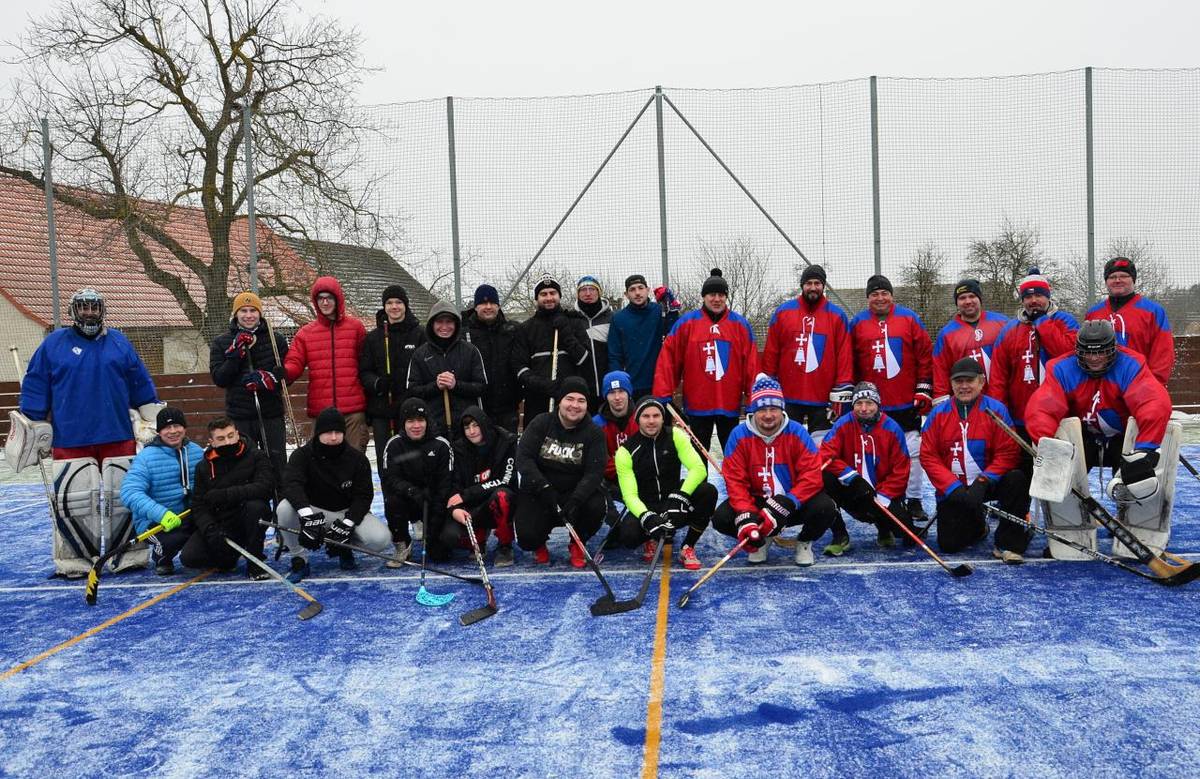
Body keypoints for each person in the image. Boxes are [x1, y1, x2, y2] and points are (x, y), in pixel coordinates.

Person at [16, 287, 161, 577]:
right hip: (71, 436)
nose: (89, 313)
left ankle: (129, 556)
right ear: (74, 311)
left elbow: (140, 384)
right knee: (74, 501)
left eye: (94, 307)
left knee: (124, 498)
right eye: (83, 307)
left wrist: (152, 417)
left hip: (117, 433)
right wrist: (32, 423)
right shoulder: (53, 344)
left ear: (102, 310)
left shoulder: (119, 342)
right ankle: (74, 561)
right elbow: (36, 385)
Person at [712, 374, 838, 566]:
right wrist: (747, 515)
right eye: (762, 409)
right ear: (753, 411)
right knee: (722, 518)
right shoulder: (738, 435)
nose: (768, 415)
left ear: (782, 409)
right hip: (757, 501)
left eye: (773, 409)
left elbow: (812, 475)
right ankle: (761, 538)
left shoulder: (797, 431)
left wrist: (790, 501)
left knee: (826, 508)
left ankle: (804, 542)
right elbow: (735, 481)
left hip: (792, 501)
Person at [1026, 319, 1171, 475]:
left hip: (1123, 438)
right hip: (1082, 439)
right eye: (1088, 352)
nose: (1094, 358)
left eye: (1100, 352)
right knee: (1059, 467)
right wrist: (1051, 447)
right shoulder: (1061, 369)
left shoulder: (1131, 365)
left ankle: (1133, 481)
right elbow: (1041, 410)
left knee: (1139, 475)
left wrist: (1146, 447)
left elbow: (1154, 403)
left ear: (1113, 349)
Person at [921, 358, 1029, 563]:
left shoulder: (996, 410)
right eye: (958, 381)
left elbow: (1008, 452)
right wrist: (952, 487)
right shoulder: (938, 415)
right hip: (956, 488)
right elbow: (929, 456)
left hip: (988, 484)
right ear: (951, 384)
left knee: (1016, 479)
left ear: (981, 382)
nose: (964, 386)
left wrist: (983, 481)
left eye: (969, 381)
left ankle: (1008, 544)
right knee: (949, 544)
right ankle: (979, 525)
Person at [848, 274, 934, 523]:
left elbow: (924, 354)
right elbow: (848, 359)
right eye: (874, 294)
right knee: (877, 453)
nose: (880, 298)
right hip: (871, 404)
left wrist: (923, 387)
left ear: (891, 295)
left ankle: (914, 499)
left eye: (884, 293)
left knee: (913, 451)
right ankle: (881, 498)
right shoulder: (857, 323)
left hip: (905, 400)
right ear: (868, 298)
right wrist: (852, 391)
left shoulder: (909, 318)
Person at [277, 407, 390, 582]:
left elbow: (363, 496)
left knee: (380, 539)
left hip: (346, 512)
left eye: (338, 432)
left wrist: (347, 524)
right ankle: (299, 559)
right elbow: (291, 485)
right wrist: (307, 516)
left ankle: (344, 545)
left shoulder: (357, 459)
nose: (333, 437)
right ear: (318, 433)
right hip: (314, 512)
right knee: (284, 508)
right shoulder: (302, 455)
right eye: (328, 432)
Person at [653, 268, 758, 454]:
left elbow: (752, 365)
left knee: (734, 455)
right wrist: (663, 393)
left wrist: (754, 399)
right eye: (711, 295)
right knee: (698, 457)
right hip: (697, 404)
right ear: (703, 297)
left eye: (721, 295)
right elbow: (669, 359)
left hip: (729, 404)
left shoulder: (740, 325)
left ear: (726, 297)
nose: (716, 299)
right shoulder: (687, 324)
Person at [987, 268, 1079, 468]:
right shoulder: (1009, 330)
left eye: (1039, 295)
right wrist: (1000, 412)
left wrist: (1042, 322)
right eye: (1028, 297)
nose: (1033, 301)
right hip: (1020, 416)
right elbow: (998, 375)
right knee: (1024, 470)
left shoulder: (1064, 321)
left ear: (1048, 296)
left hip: (1059, 414)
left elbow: (1069, 355)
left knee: (1058, 470)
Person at [613, 397, 718, 571]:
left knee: (708, 491)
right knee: (629, 537)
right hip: (648, 504)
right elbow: (629, 495)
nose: (651, 421)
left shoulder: (676, 436)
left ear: (663, 418)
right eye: (646, 416)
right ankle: (650, 537)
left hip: (675, 502)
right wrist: (647, 517)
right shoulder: (625, 451)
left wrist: (680, 497)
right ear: (637, 419)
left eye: (656, 415)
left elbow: (698, 469)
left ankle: (688, 546)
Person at [514, 377, 608, 568]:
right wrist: (543, 486)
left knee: (596, 505)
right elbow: (524, 458)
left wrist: (577, 499)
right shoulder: (541, 423)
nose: (575, 405)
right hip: (541, 491)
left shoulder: (594, 433)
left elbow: (594, 472)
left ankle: (577, 543)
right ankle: (538, 543)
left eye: (581, 401)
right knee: (527, 537)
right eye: (569, 399)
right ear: (560, 401)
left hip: (574, 494)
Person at [761, 264, 853, 444]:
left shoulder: (837, 316)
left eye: (817, 283)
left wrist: (843, 386)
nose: (813, 287)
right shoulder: (783, 312)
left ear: (823, 285)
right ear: (802, 285)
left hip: (823, 397)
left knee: (822, 449)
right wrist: (769, 382)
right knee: (786, 446)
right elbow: (772, 350)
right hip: (789, 396)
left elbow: (844, 354)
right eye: (808, 283)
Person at [818, 381, 913, 556]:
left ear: (878, 404)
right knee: (824, 477)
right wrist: (851, 477)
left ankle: (884, 526)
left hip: (881, 494)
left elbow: (901, 469)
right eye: (859, 403)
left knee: (906, 534)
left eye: (869, 403)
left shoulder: (892, 428)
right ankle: (840, 535)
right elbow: (825, 454)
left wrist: (883, 495)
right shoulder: (843, 424)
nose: (864, 408)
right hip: (852, 490)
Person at [181, 417, 276, 579]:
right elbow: (198, 505)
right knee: (190, 557)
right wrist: (210, 529)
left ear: (237, 434)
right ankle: (228, 556)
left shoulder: (256, 456)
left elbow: (265, 487)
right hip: (221, 522)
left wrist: (224, 495)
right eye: (221, 438)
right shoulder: (203, 467)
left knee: (256, 507)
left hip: (248, 517)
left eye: (231, 436)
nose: (228, 442)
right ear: (212, 442)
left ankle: (255, 560)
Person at [209, 290, 290, 480]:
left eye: (253, 310)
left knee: (277, 464)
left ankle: (280, 498)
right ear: (236, 314)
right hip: (240, 416)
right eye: (243, 311)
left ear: (259, 313)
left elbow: (286, 375)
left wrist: (270, 379)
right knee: (245, 466)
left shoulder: (275, 339)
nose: (248, 315)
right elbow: (220, 379)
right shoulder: (221, 342)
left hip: (271, 413)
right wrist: (234, 356)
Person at [284, 277, 370, 452]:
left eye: (329, 298)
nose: (325, 302)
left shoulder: (356, 328)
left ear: (338, 299)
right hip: (322, 413)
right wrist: (285, 373)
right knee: (322, 461)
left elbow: (367, 363)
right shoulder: (305, 333)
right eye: (320, 298)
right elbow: (294, 362)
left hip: (352, 412)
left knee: (354, 459)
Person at [120, 407, 205, 575]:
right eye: (167, 427)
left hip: (191, 515)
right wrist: (162, 515)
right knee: (171, 540)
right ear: (159, 431)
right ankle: (162, 557)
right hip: (156, 522)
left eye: (177, 426)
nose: (173, 431)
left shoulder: (196, 451)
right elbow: (130, 492)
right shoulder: (146, 458)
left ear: (184, 428)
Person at [380, 398, 455, 564]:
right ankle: (402, 543)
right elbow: (390, 478)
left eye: (420, 420)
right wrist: (411, 491)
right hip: (407, 498)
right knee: (392, 502)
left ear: (427, 421)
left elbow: (446, 483)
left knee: (439, 555)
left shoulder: (441, 445)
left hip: (433, 502)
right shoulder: (394, 445)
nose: (416, 426)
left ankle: (432, 536)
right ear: (403, 423)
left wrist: (436, 512)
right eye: (410, 421)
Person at [359, 284, 425, 465]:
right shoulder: (373, 338)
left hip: (411, 409)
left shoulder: (420, 334)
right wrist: (377, 383)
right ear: (384, 306)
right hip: (383, 409)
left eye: (398, 302)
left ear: (405, 305)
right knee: (386, 459)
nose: (394, 307)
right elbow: (365, 371)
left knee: (413, 460)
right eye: (389, 303)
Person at [1085, 256, 1174, 385]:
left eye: (1123, 276)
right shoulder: (1093, 313)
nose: (1117, 280)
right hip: (1102, 388)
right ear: (1106, 281)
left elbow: (1163, 353)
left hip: (1140, 385)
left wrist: (1152, 385)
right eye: (1112, 277)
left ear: (1133, 279)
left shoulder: (1153, 311)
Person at [512, 274, 591, 419]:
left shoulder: (575, 322)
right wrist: (544, 385)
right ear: (537, 298)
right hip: (537, 400)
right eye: (543, 294)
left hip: (571, 401)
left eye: (552, 293)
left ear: (559, 295)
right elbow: (519, 367)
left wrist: (566, 332)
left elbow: (584, 360)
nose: (549, 298)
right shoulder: (525, 329)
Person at [448, 406, 518, 567]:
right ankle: (478, 536)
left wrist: (467, 494)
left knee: (502, 496)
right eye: (467, 427)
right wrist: (455, 507)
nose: (472, 431)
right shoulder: (458, 449)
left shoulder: (506, 442)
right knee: (449, 539)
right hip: (473, 506)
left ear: (484, 424)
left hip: (499, 499)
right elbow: (454, 483)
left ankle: (505, 545)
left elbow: (506, 480)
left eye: (476, 425)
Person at [406, 300, 487, 437]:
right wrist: (435, 386)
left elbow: (481, 386)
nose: (444, 327)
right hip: (433, 426)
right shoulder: (420, 354)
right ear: (432, 324)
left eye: (449, 322)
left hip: (466, 426)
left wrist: (456, 385)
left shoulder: (470, 351)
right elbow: (412, 390)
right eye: (439, 322)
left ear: (456, 324)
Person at [931, 279, 1010, 403]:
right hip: (966, 403)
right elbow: (940, 373)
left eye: (972, 296)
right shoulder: (946, 334)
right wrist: (942, 405)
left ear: (980, 298)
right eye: (962, 298)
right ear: (957, 303)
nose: (968, 301)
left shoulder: (1003, 323)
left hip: (1003, 400)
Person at [608, 274, 680, 400]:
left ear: (647, 290)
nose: (637, 293)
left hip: (659, 382)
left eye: (641, 288)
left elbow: (674, 335)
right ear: (626, 294)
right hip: (632, 384)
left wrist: (672, 311)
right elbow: (614, 355)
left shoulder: (659, 311)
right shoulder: (618, 318)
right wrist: (620, 383)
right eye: (632, 289)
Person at [462, 284, 520, 433]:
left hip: (507, 407)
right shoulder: (464, 333)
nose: (488, 307)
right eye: (483, 303)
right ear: (476, 307)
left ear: (498, 306)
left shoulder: (512, 330)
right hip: (477, 406)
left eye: (492, 303)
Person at [592, 370, 639, 496]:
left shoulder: (641, 419)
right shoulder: (596, 424)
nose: (617, 397)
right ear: (605, 396)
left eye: (621, 391)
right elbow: (598, 461)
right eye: (612, 392)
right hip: (609, 483)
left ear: (629, 393)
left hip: (640, 478)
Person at [574, 275, 614, 413]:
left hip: (608, 387)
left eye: (592, 289)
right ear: (578, 294)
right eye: (583, 290)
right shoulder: (571, 319)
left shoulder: (612, 318)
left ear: (599, 292)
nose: (588, 293)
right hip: (582, 390)